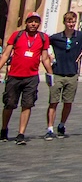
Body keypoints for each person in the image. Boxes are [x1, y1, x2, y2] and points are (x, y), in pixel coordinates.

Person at [45, 13, 82, 138]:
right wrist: (49, 56)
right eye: (69, 22)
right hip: (57, 73)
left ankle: (62, 125)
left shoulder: (81, 36)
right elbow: (44, 46)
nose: (71, 24)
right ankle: (50, 128)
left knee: (68, 102)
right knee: (53, 102)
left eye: (73, 22)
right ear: (64, 22)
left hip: (72, 73)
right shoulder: (56, 37)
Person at [1, 12, 48, 143]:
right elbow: (5, 55)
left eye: (36, 21)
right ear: (26, 22)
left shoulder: (43, 38)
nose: (33, 24)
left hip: (31, 77)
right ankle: (4, 129)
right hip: (14, 76)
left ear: (39, 23)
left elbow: (44, 57)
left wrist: (50, 73)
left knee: (27, 104)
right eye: (31, 21)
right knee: (9, 104)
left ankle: (21, 133)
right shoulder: (17, 35)